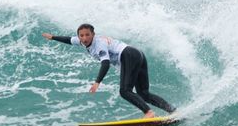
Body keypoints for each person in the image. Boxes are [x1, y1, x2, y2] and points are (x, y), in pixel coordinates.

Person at [42, 23, 176, 119]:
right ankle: (172, 110)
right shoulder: (81, 41)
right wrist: (52, 37)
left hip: (127, 55)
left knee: (125, 91)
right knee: (144, 93)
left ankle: (148, 113)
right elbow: (69, 40)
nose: (84, 38)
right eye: (81, 35)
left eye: (87, 35)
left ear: (93, 34)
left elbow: (105, 63)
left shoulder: (99, 44)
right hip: (137, 54)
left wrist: (97, 82)